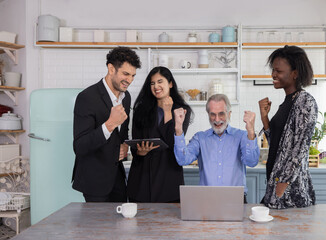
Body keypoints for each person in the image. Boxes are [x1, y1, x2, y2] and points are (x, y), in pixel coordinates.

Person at [72, 46, 141, 202]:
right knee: (97, 226)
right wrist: (109, 124)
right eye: (125, 74)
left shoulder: (126, 97)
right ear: (111, 69)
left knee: (121, 224)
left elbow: (121, 134)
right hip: (94, 179)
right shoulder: (87, 97)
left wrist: (124, 146)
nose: (129, 80)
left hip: (117, 176)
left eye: (133, 75)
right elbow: (80, 146)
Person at [258, 45, 318, 209]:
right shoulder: (287, 102)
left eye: (278, 71)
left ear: (295, 73)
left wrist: (280, 189)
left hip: (290, 190)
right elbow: (277, 144)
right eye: (273, 70)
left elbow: (299, 150)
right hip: (276, 183)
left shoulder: (305, 102)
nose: (273, 74)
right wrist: (265, 118)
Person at [173, 94, 259, 203]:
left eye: (221, 114)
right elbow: (182, 160)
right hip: (207, 200)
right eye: (212, 114)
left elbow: (252, 162)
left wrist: (251, 131)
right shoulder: (200, 138)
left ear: (229, 114)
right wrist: (178, 128)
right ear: (208, 115)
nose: (217, 119)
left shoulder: (242, 136)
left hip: (235, 200)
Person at [127, 66, 193, 203]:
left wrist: (168, 111)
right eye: (152, 83)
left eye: (160, 81)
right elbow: (135, 145)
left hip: (168, 179)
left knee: (169, 223)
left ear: (170, 83)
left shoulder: (182, 110)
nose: (156, 86)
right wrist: (140, 152)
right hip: (142, 180)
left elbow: (173, 143)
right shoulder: (141, 110)